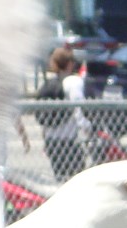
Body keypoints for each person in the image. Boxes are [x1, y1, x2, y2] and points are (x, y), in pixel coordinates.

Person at [34, 47, 89, 181]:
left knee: (60, 179)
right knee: (77, 179)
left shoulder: (48, 84)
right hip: (69, 139)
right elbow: (78, 107)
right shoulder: (73, 82)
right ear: (70, 64)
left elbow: (42, 115)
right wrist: (87, 128)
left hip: (51, 140)